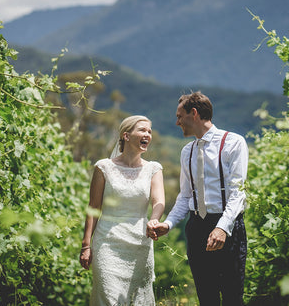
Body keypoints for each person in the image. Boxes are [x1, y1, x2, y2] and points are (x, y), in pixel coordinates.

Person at [148, 92, 248, 305]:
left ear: (193, 114)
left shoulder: (233, 143)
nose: (176, 122)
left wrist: (222, 228)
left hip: (228, 227)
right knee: (206, 297)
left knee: (232, 296)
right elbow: (185, 197)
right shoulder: (187, 152)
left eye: (179, 116)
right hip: (196, 229)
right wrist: (169, 223)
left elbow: (237, 193)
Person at [80, 115, 165, 305]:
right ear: (126, 136)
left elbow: (158, 200)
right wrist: (86, 245)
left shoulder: (154, 169)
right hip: (107, 243)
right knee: (108, 298)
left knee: (138, 300)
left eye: (149, 131)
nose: (147, 135)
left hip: (140, 243)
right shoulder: (104, 167)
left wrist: (155, 219)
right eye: (142, 130)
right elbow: (93, 207)